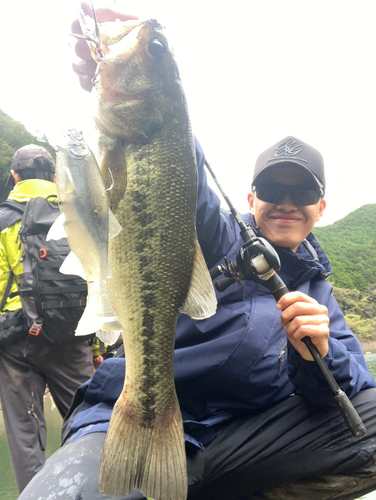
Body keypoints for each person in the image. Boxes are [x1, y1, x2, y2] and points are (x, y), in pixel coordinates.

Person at [18, 7, 376, 500]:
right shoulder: (217, 232)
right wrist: (129, 75)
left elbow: (346, 387)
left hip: (246, 438)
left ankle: (223, 486)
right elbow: (178, 166)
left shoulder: (318, 290)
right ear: (251, 199)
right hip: (143, 409)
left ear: (322, 207)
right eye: (273, 188)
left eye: (303, 193)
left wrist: (318, 353)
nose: (287, 203)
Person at [0, 145, 95, 494]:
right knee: (90, 421)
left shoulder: (2, 219)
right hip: (73, 334)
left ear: (15, 177)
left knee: (26, 439)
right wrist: (97, 343)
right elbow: (97, 278)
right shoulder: (76, 215)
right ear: (54, 177)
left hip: (15, 344)